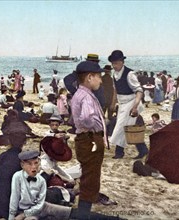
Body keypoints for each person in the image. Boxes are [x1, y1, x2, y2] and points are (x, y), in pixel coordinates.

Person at [70, 61, 106, 219]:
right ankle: (84, 214)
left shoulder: (81, 93)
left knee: (89, 176)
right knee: (90, 179)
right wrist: (93, 128)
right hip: (89, 138)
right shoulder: (86, 96)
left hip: (86, 138)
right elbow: (86, 118)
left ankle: (84, 212)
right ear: (90, 77)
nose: (101, 80)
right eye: (98, 76)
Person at [0, 113, 29, 219]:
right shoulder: (22, 161)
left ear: (8, 140)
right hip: (7, 203)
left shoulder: (2, 157)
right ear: (24, 142)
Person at [108, 50, 149, 159]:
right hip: (122, 104)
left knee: (120, 127)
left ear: (122, 62)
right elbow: (115, 90)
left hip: (131, 102)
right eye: (113, 63)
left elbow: (139, 91)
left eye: (116, 63)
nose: (114, 65)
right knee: (128, 127)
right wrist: (113, 103)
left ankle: (119, 152)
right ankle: (142, 149)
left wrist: (135, 106)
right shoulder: (114, 74)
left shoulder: (129, 74)